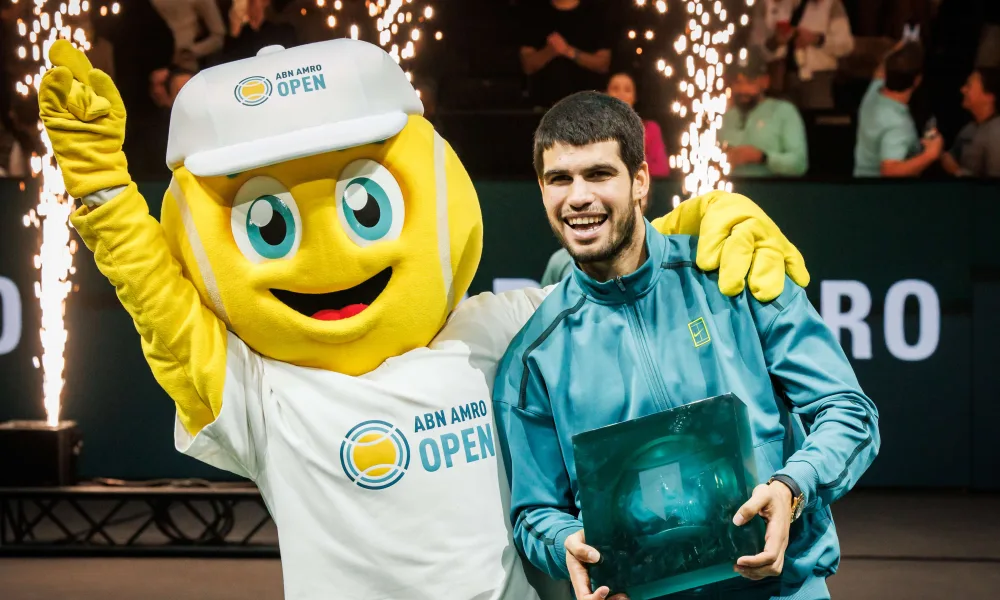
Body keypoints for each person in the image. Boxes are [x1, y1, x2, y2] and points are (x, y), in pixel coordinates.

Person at [39, 39, 812, 600]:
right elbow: (161, 307)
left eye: (365, 205)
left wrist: (692, 230)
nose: (334, 253)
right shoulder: (260, 394)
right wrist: (104, 194)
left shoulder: (487, 333)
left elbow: (608, 282)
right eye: (269, 225)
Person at [493, 91, 879, 600]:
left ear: (640, 181)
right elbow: (534, 511)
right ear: (542, 189)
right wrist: (565, 542)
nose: (579, 197)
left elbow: (850, 412)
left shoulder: (734, 276)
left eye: (599, 174)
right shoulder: (535, 357)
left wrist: (793, 487)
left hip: (782, 590)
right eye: (560, 179)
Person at [853, 40, 943, 177]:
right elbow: (889, 171)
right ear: (917, 80)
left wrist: (896, 52)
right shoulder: (898, 125)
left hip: (860, 180)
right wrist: (930, 155)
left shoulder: (873, 94)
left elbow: (879, 72)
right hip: (879, 189)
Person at [719, 47, 809, 177]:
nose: (743, 89)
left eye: (750, 82)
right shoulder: (722, 116)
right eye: (738, 82)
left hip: (769, 186)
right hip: (727, 186)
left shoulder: (784, 111)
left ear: (765, 81)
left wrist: (762, 157)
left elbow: (799, 163)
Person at [750, 0, 855, 109]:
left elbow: (846, 45)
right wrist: (776, 41)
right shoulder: (777, 5)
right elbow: (757, 47)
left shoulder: (830, 5)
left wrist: (816, 39)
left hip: (817, 79)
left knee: (815, 115)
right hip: (782, 79)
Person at [519, 0, 612, 107]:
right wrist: (550, 51)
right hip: (544, 106)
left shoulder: (596, 13)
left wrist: (569, 51)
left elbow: (603, 64)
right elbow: (527, 65)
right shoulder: (534, 13)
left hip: (589, 105)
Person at [606, 72, 669, 177]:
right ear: (606, 95)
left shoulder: (650, 128)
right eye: (615, 89)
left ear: (634, 97)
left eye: (627, 90)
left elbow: (662, 168)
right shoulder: (595, 129)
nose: (621, 94)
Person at [941, 67, 1000, 177]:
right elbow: (950, 158)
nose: (963, 89)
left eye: (969, 86)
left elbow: (995, 184)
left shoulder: (997, 134)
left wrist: (957, 171)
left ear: (989, 97)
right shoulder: (969, 129)